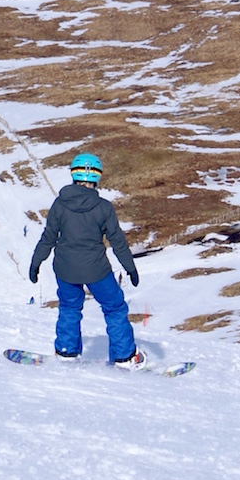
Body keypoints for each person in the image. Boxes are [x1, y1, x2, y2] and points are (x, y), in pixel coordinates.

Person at [30, 153, 144, 369]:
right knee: (114, 308)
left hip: (65, 269)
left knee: (69, 307)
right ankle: (125, 357)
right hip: (97, 270)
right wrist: (130, 267)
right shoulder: (103, 207)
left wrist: (36, 262)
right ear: (97, 177)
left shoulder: (59, 204)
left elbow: (48, 237)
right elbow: (117, 241)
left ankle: (67, 351)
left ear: (73, 175)